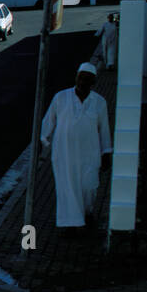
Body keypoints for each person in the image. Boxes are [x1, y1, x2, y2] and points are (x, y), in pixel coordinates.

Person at [40, 62, 112, 235]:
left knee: (89, 186)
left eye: (87, 79)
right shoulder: (61, 97)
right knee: (67, 188)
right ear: (76, 77)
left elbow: (104, 129)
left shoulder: (99, 102)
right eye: (81, 77)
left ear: (93, 81)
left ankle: (86, 213)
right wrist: (44, 142)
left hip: (90, 154)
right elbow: (48, 122)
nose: (83, 81)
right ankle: (69, 224)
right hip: (64, 154)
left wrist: (107, 152)